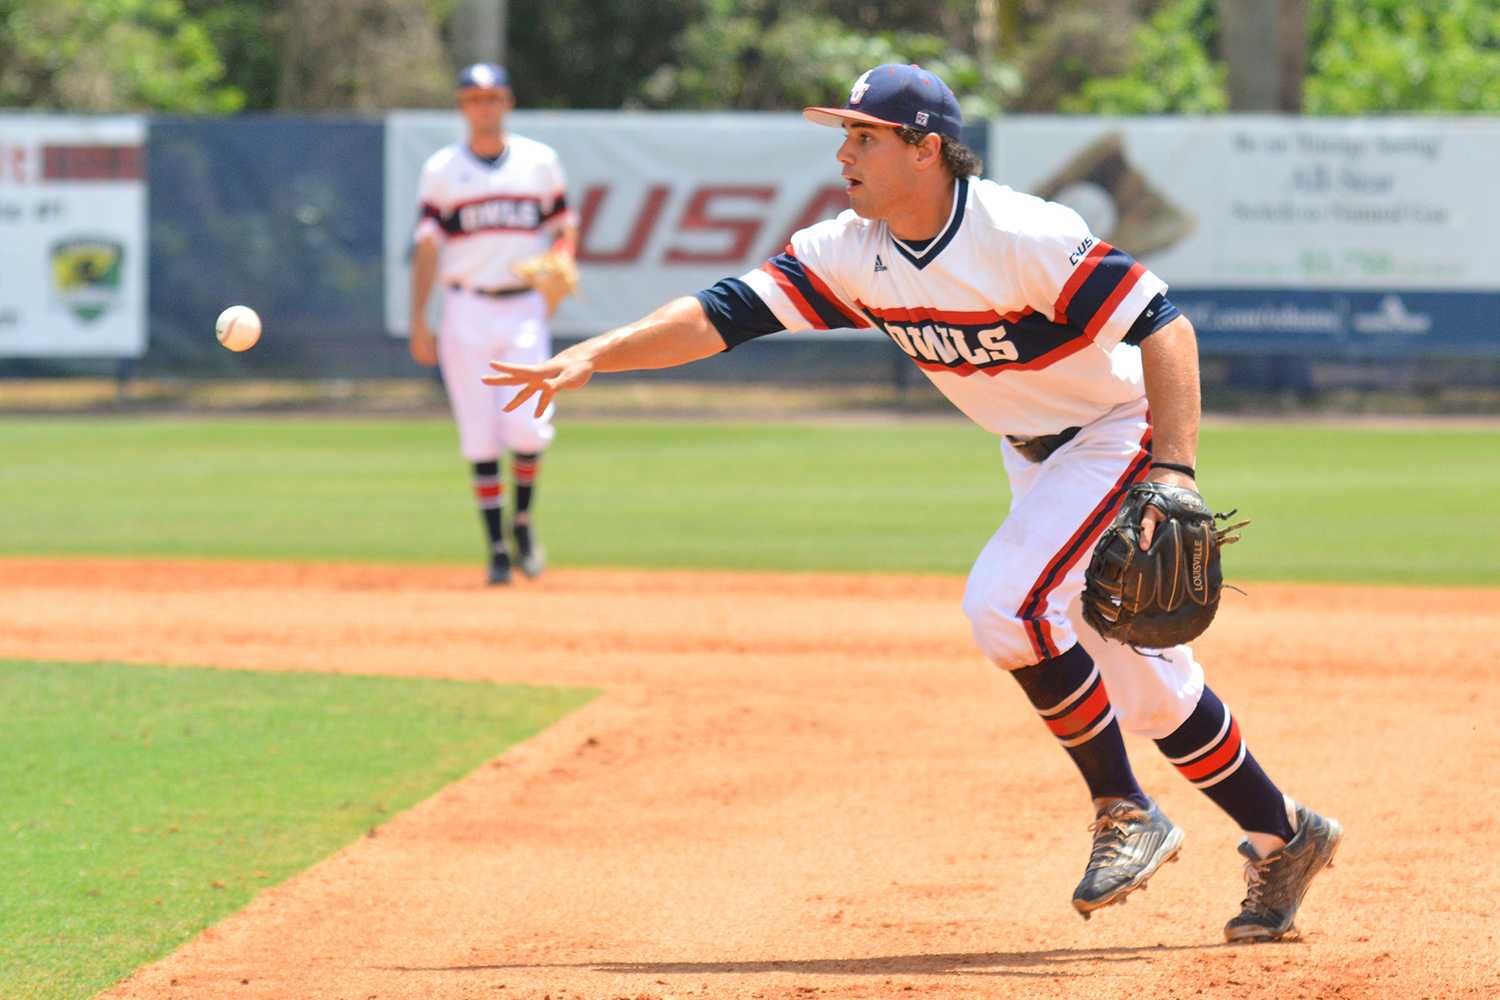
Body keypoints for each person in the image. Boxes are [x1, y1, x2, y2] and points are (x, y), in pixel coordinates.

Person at [485, 64, 1341, 941]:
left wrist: (1176, 471)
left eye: (864, 136)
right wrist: (593, 353)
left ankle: (1124, 808)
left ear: (926, 148)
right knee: (1146, 690)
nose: (844, 153)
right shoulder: (849, 252)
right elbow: (718, 315)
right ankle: (1288, 835)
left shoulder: (1019, 233)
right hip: (1033, 455)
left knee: (1004, 607)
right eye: (842, 135)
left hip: (1116, 432)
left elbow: (1164, 324)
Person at [410, 62, 577, 585]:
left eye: (493, 96)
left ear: (507, 101)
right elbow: (427, 245)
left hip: (524, 305)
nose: (484, 106)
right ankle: (497, 548)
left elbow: (563, 226)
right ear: (463, 106)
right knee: (479, 434)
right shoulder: (442, 169)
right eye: (474, 97)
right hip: (464, 307)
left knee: (527, 425)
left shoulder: (538, 162)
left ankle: (523, 522)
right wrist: (420, 318)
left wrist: (562, 256)